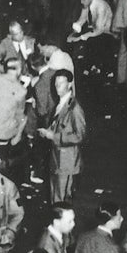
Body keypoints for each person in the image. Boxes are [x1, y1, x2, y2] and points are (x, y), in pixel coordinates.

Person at [38, 69, 85, 202]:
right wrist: (48, 131)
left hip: (67, 163)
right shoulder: (61, 103)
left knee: (62, 201)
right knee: (56, 198)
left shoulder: (75, 108)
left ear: (69, 84)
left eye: (61, 83)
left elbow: (79, 136)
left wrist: (53, 136)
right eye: (56, 83)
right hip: (57, 160)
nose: (57, 86)